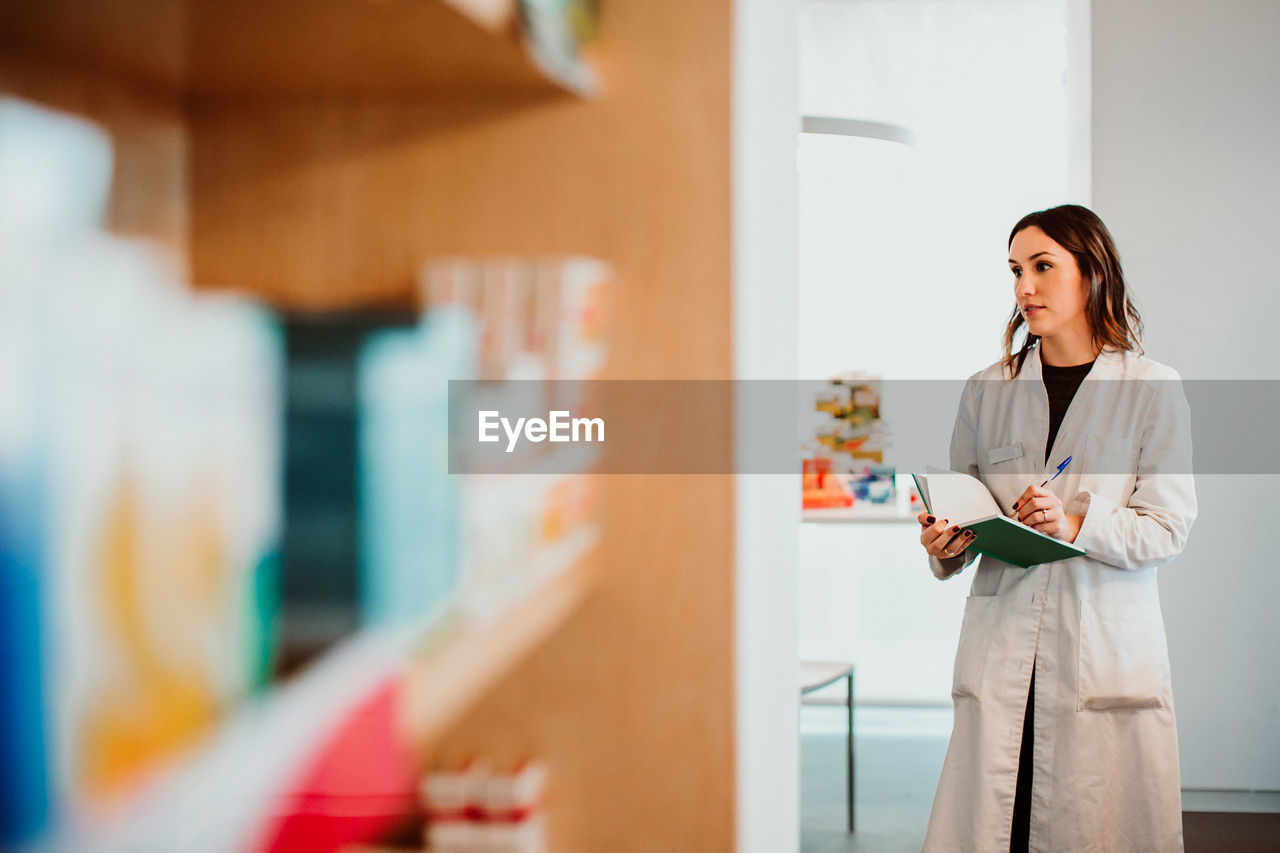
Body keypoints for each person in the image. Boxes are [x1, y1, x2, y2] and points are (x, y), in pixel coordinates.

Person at [916, 204, 1197, 853]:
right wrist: (943, 544)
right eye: (1016, 269)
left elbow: (1166, 528)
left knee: (1094, 825)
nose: (1024, 287)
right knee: (999, 827)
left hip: (1098, 658)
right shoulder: (987, 389)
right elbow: (964, 509)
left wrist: (1076, 521)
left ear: (1092, 273)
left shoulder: (1152, 388)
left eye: (1042, 266)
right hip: (1003, 650)